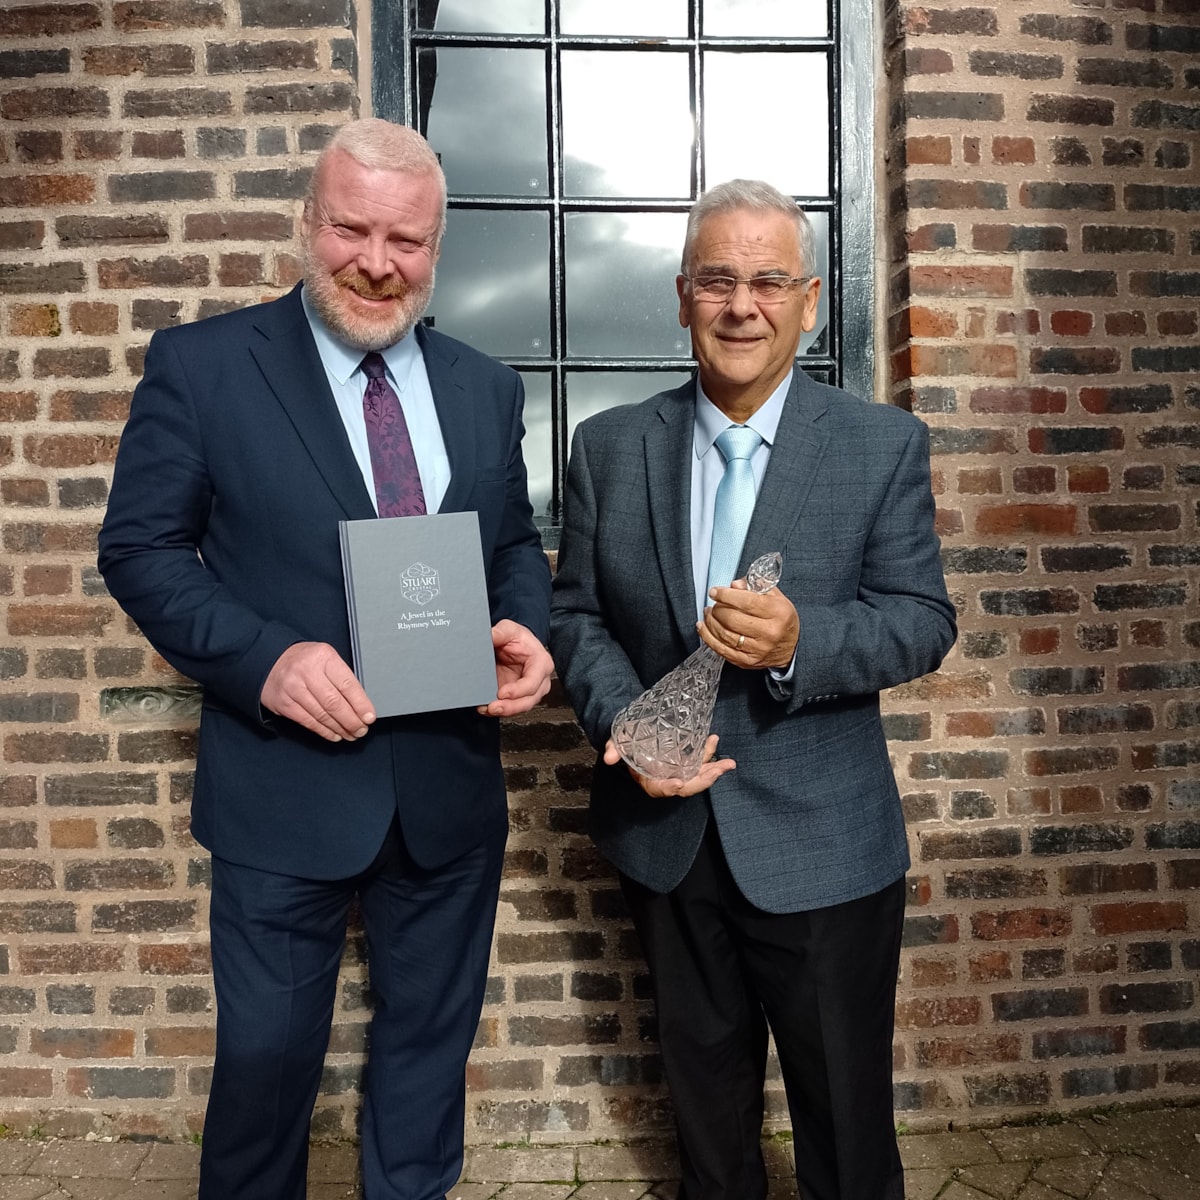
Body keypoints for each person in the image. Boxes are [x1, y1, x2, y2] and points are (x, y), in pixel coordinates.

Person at [98, 119, 553, 1200]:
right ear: (309, 223)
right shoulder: (204, 367)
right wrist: (264, 660)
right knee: (263, 1072)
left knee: (426, 1067)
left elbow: (514, 545)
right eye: (352, 230)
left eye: (406, 241)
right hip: (281, 789)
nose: (377, 263)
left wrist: (524, 625)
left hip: (445, 787)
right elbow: (141, 549)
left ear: (436, 248)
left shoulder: (485, 386)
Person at [549, 180, 957, 1200]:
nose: (744, 305)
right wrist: (629, 722)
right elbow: (575, 617)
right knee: (707, 1130)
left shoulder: (879, 445)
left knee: (846, 1136)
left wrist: (801, 643)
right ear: (682, 295)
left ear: (809, 301)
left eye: (769, 280)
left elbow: (922, 621)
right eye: (719, 279)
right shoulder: (609, 447)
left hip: (826, 847)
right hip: (668, 842)